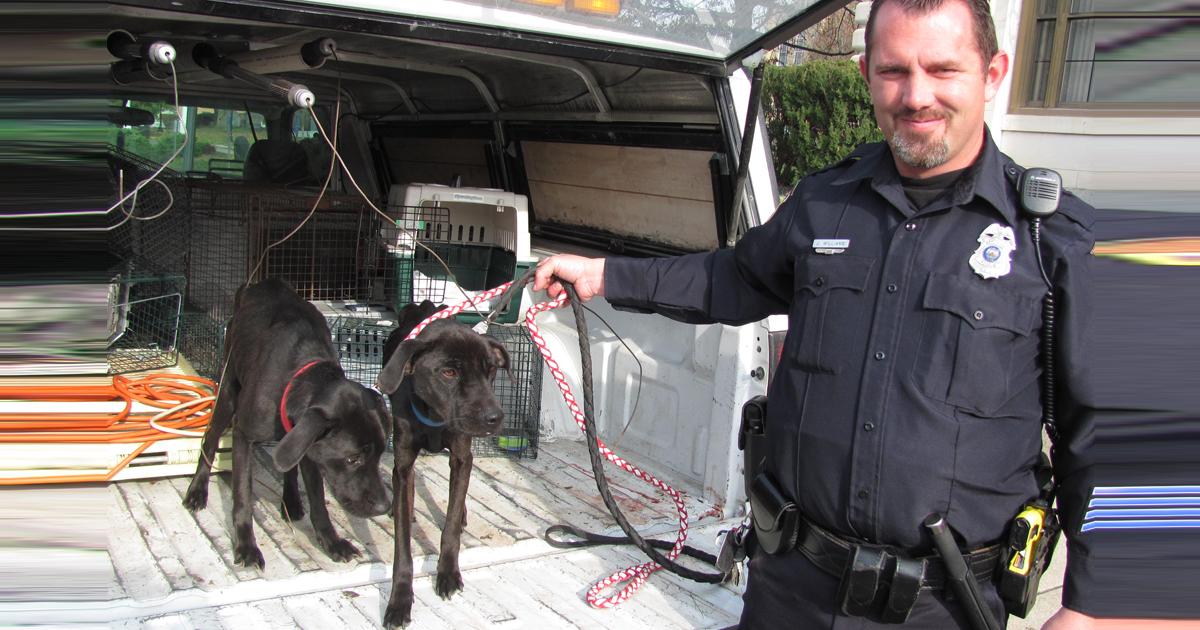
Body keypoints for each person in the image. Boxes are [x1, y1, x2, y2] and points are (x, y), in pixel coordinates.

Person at [534, 0, 1195, 628]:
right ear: (865, 75)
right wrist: (603, 274)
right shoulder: (825, 203)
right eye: (894, 70)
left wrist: (1097, 600)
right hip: (788, 584)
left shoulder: (1052, 241)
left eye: (942, 70)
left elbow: (1111, 439)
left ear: (992, 74)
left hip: (942, 609)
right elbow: (731, 277)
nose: (916, 96)